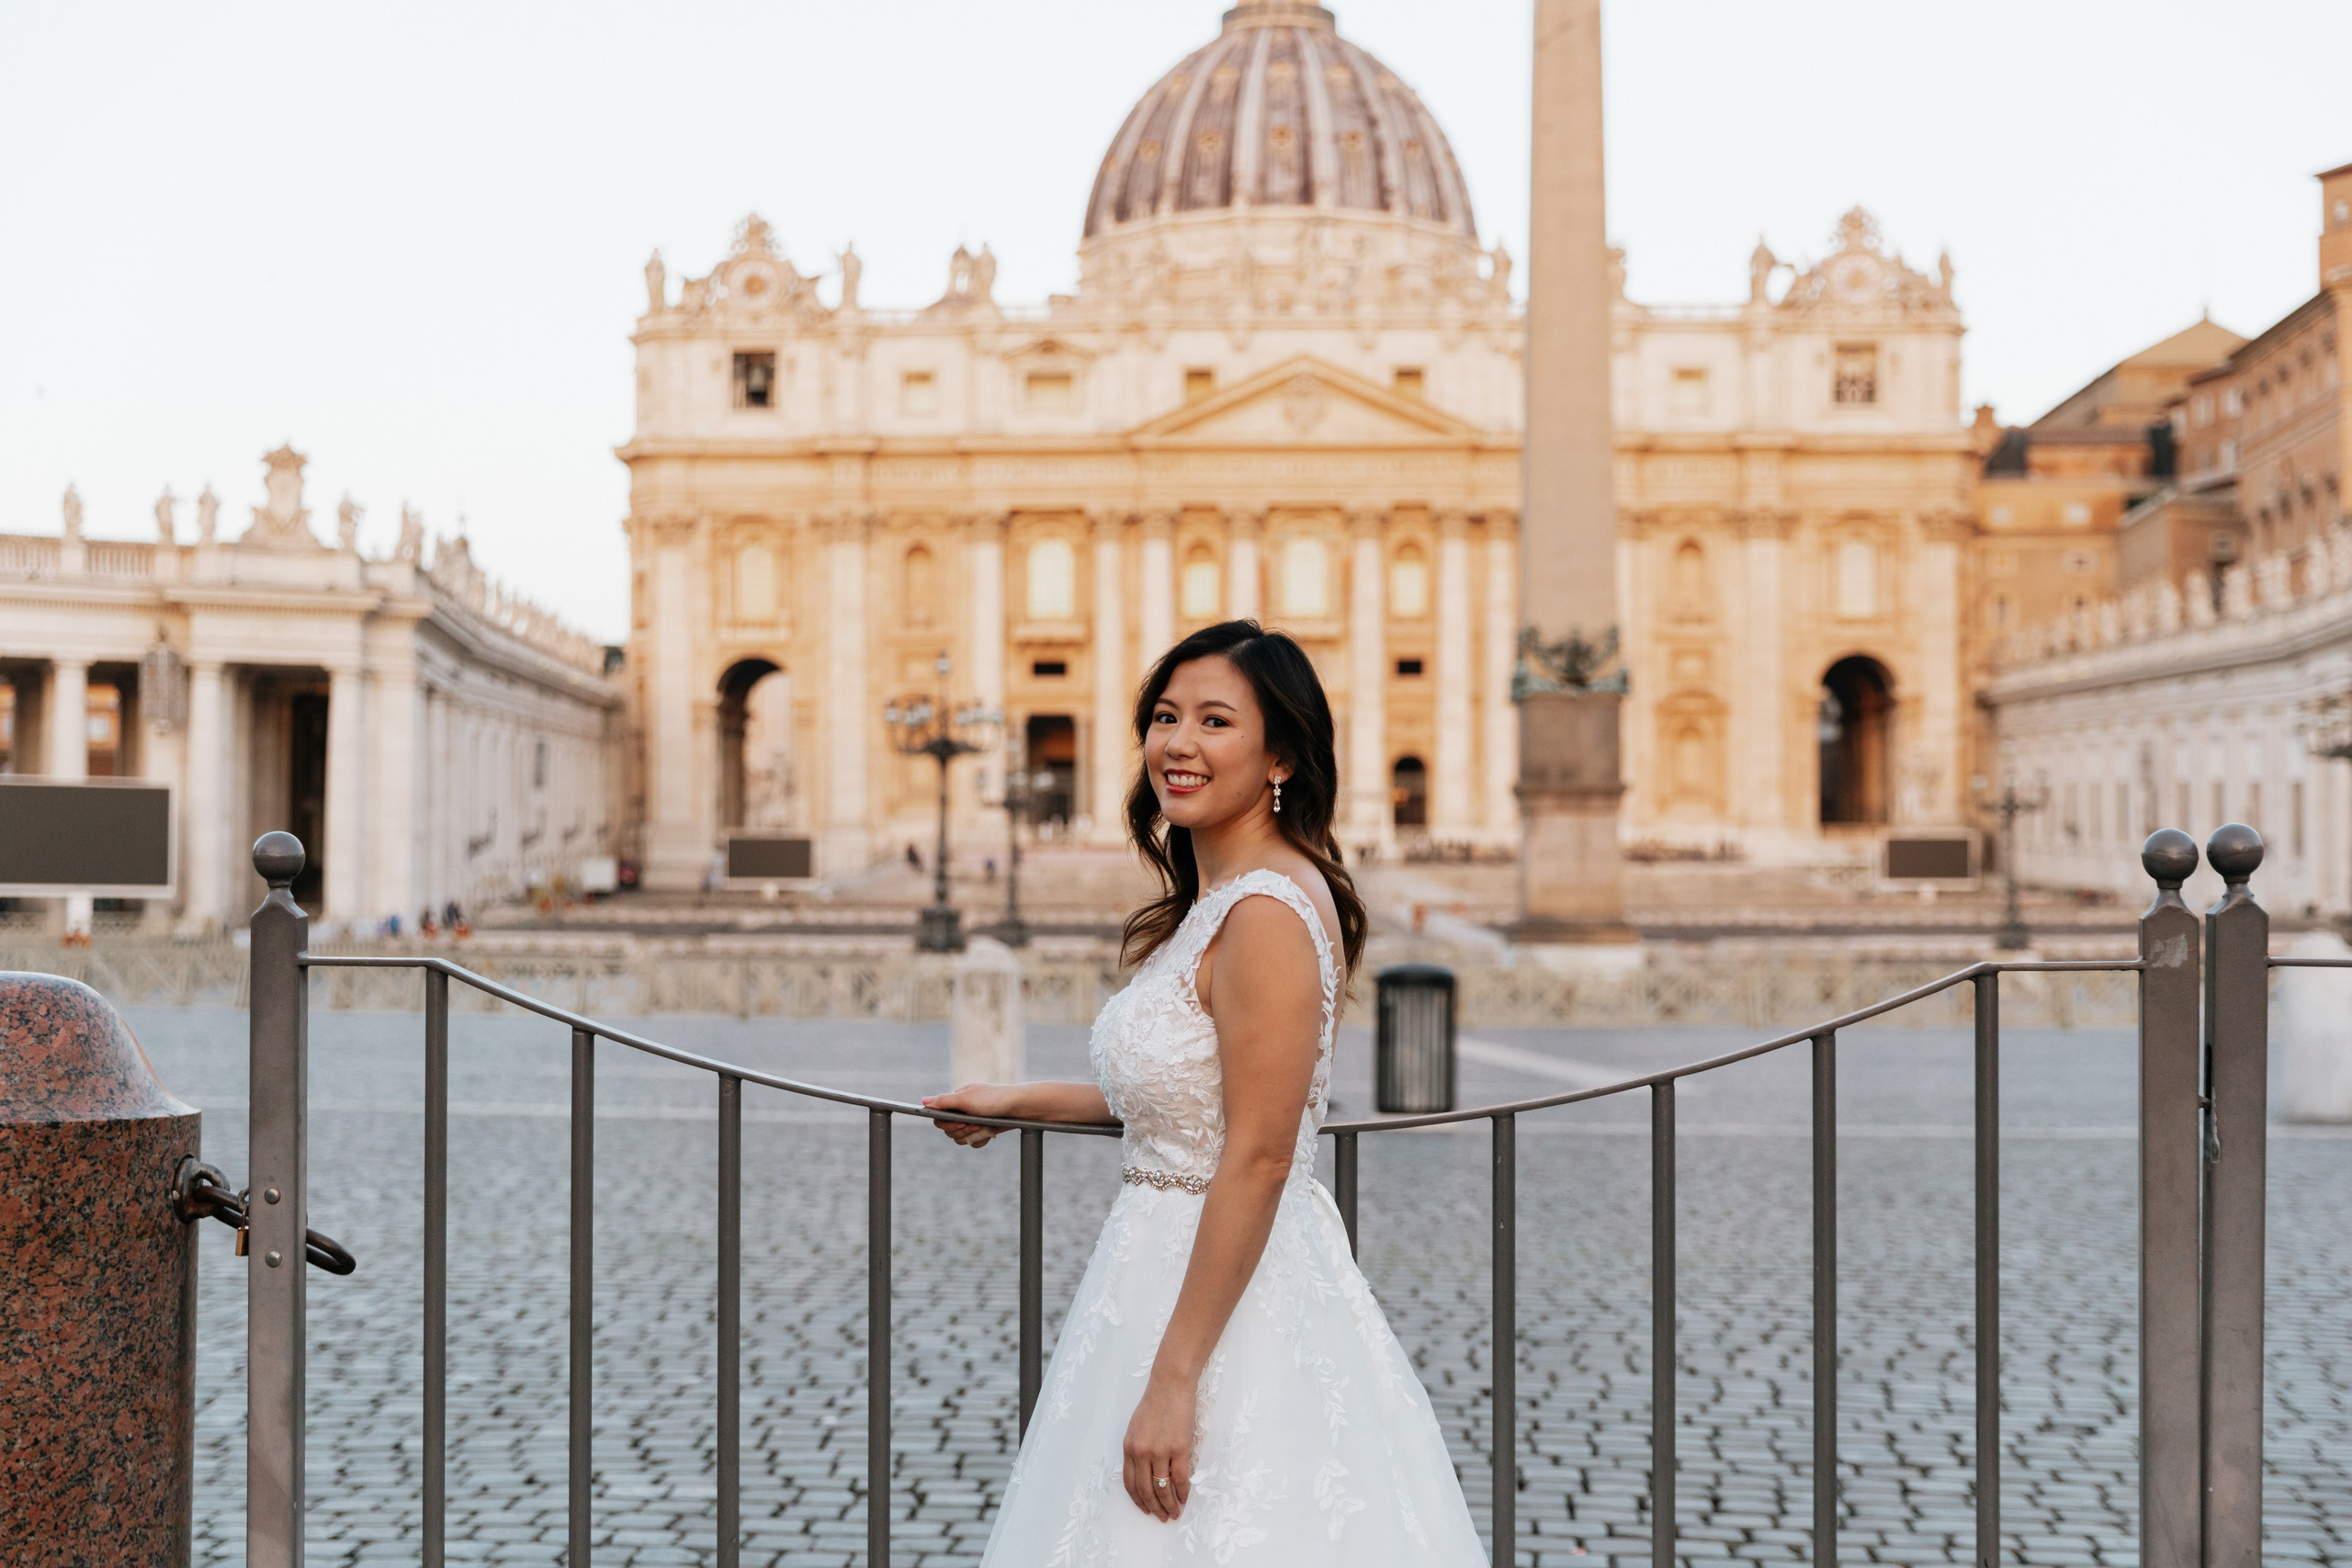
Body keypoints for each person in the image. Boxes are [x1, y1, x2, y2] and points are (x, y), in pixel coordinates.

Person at [924, 620, 1485, 1562]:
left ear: (1281, 759)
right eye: (1164, 716)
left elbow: (1260, 1154)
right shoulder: (1224, 899)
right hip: (1165, 1270)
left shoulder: (1265, 911)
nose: (1177, 743)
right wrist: (1021, 1100)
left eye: (1215, 721)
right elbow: (1188, 1105)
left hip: (1220, 1298)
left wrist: (1176, 1376)